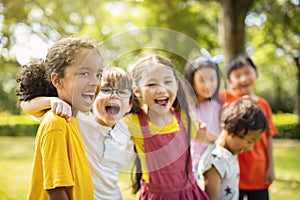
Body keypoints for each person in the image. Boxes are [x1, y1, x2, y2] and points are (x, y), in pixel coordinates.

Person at [20, 67, 136, 199]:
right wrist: (51, 101)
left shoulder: (128, 133)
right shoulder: (76, 119)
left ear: (129, 105)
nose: (114, 95)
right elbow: (26, 106)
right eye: (106, 90)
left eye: (122, 92)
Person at [16, 37, 103, 200]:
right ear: (57, 80)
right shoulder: (56, 123)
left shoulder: (73, 119)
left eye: (98, 74)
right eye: (84, 73)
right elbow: (56, 191)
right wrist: (50, 101)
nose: (94, 82)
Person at [119, 54, 209, 199]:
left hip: (188, 193)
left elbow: (201, 137)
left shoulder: (183, 118)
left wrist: (208, 136)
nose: (161, 90)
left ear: (176, 85)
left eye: (167, 82)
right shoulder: (132, 122)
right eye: (151, 84)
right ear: (137, 91)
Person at [219, 53, 278, 200]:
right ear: (230, 81)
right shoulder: (227, 98)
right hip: (233, 172)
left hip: (258, 171)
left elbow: (269, 138)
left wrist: (271, 167)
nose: (244, 79)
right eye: (237, 76)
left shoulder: (264, 104)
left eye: (247, 73)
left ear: (256, 74)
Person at [198, 98, 268, 200]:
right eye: (249, 141)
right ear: (230, 130)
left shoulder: (229, 154)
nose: (250, 148)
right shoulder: (214, 162)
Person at [183, 54, 222, 179]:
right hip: (196, 163)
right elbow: (196, 134)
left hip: (217, 162)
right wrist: (222, 141)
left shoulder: (217, 105)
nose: (208, 85)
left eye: (212, 79)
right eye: (202, 80)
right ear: (192, 82)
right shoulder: (188, 107)